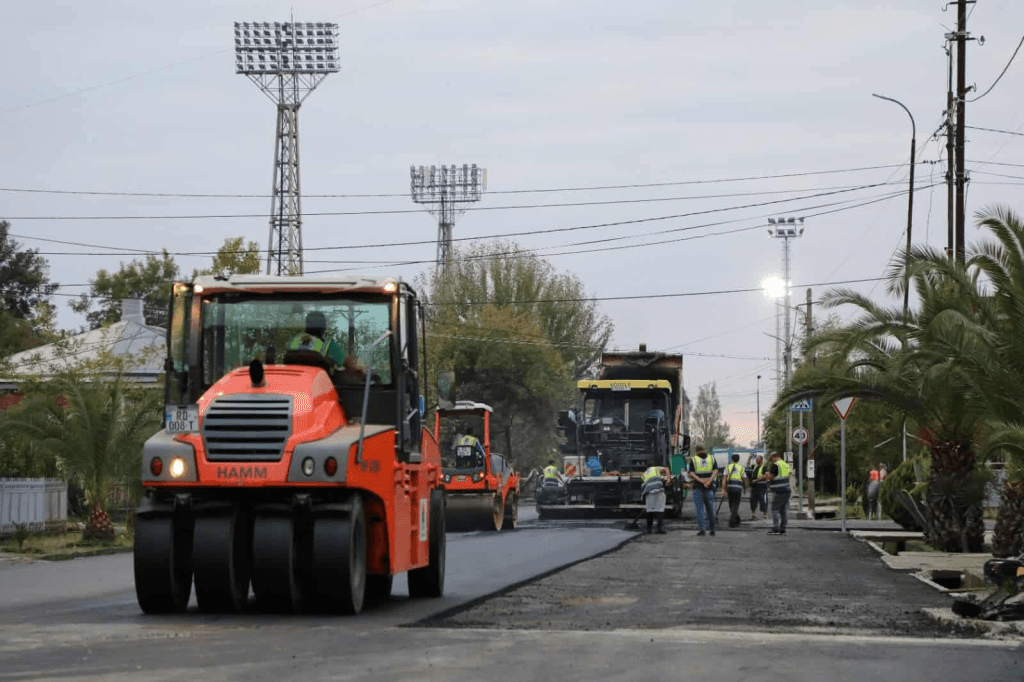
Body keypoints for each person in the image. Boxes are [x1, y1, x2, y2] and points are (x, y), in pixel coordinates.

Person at [756, 452, 791, 535]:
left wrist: (766, 475)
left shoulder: (776, 465)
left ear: (774, 457)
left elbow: (770, 476)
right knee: (783, 510)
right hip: (787, 490)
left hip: (779, 491)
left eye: (771, 458)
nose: (771, 460)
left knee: (775, 509)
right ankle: (783, 528)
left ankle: (776, 528)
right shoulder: (785, 464)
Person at [687, 445, 718, 536]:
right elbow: (715, 471)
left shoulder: (694, 459)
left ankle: (702, 530)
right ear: (704, 450)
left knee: (699, 510)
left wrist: (702, 481)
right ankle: (712, 529)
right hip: (709, 488)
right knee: (711, 510)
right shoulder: (711, 458)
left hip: (698, 487)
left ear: (696, 451)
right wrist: (709, 481)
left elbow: (691, 474)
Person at [722, 453, 747, 529]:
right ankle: (734, 521)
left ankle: (734, 520)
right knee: (735, 505)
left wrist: (723, 489)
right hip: (738, 488)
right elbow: (744, 479)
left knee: (731, 504)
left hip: (730, 488)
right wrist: (745, 488)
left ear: (732, 459)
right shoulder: (741, 468)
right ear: (738, 459)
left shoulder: (727, 467)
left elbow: (724, 478)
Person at [641, 466, 668, 534]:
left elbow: (643, 484)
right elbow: (666, 469)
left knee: (649, 510)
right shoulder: (656, 468)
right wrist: (668, 479)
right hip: (658, 489)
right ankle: (659, 529)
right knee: (660, 509)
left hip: (649, 491)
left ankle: (649, 529)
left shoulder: (644, 474)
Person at [748, 454, 768, 521]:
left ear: (761, 460)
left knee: (763, 500)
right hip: (754, 486)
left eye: (757, 459)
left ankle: (765, 515)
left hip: (762, 486)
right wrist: (749, 457)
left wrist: (756, 480)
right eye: (756, 459)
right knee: (753, 500)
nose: (756, 460)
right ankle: (753, 514)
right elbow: (748, 465)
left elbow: (765, 476)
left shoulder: (764, 467)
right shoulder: (755, 466)